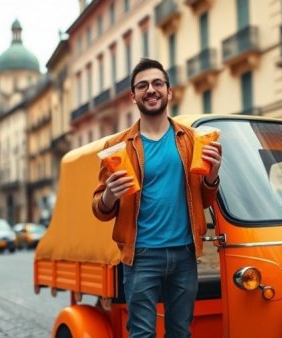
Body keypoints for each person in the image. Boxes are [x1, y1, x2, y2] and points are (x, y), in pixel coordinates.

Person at [92, 58, 222, 337]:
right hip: (141, 256)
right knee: (142, 333)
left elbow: (206, 199)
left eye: (157, 83)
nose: (150, 89)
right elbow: (100, 209)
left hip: (185, 252)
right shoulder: (116, 147)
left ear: (169, 91)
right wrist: (110, 197)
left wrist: (212, 176)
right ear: (133, 96)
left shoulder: (190, 140)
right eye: (142, 85)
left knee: (180, 332)